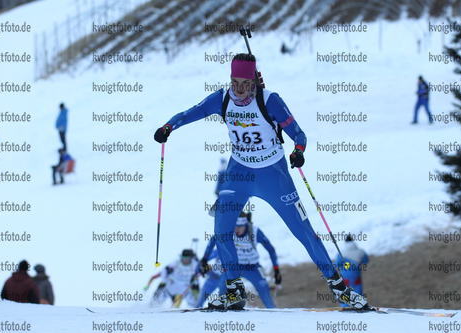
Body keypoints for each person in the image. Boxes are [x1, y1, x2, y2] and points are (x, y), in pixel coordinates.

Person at [153, 53, 368, 310]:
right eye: (235, 82)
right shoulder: (221, 100)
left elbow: (298, 133)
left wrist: (298, 151)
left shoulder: (270, 101)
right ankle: (233, 290)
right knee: (222, 229)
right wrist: (168, 127)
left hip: (272, 175)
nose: (239, 89)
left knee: (304, 232)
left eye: (245, 83)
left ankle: (340, 288)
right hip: (239, 173)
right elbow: (190, 113)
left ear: (254, 82)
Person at [198, 211, 281, 308]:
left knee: (264, 290)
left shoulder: (254, 231)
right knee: (223, 287)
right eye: (235, 227)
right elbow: (213, 241)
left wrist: (276, 270)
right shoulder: (228, 230)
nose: (237, 230)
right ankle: (223, 311)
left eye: (240, 227)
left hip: (252, 267)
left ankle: (272, 311)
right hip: (234, 267)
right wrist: (204, 260)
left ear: (245, 224)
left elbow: (271, 249)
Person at [335, 235, 369, 307]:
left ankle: (345, 308)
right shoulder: (360, 251)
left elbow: (337, 264)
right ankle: (360, 306)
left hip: (345, 278)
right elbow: (366, 261)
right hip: (357, 277)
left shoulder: (342, 253)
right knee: (358, 295)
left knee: (344, 294)